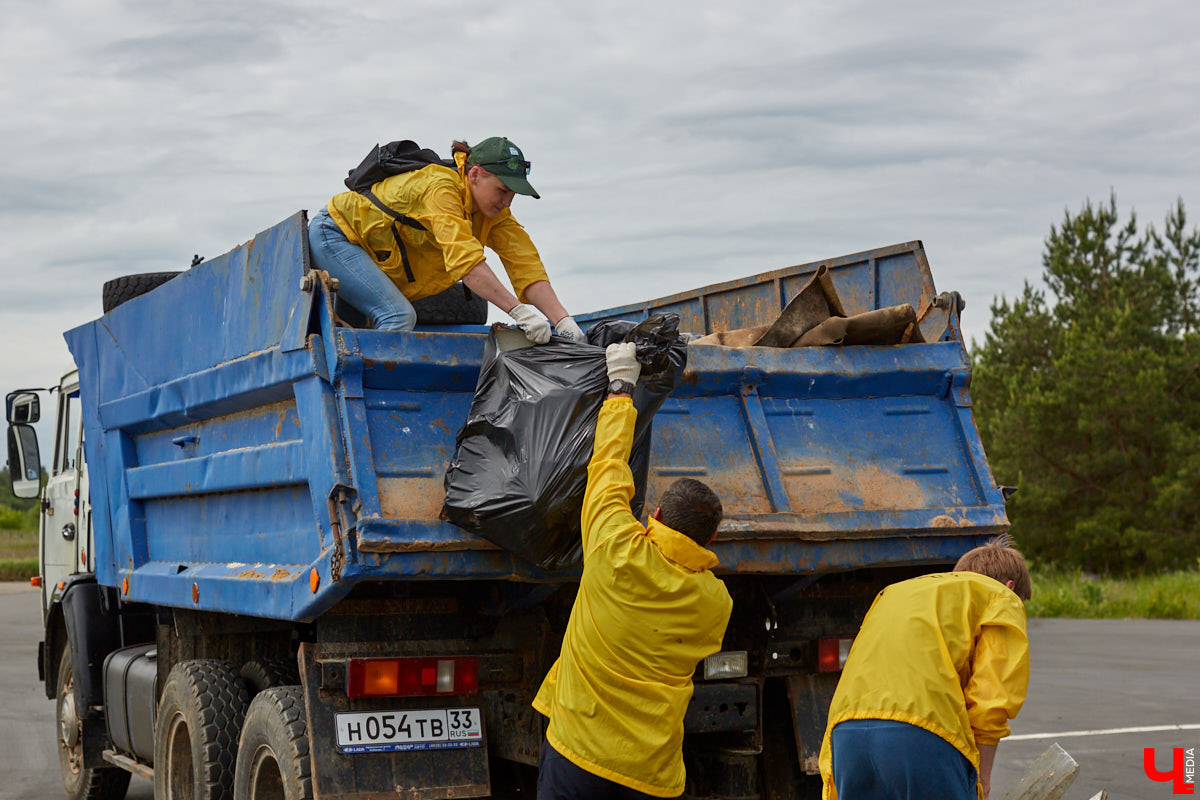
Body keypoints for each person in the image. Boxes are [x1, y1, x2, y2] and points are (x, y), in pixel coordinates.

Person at [533, 342, 734, 799]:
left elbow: (607, 464)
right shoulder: (715, 604)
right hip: (650, 772)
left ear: (656, 515)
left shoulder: (614, 546)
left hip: (578, 754)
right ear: (713, 539)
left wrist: (621, 389)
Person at [307, 136, 583, 343]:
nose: (507, 201)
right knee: (398, 316)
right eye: (502, 190)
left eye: (513, 194)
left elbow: (525, 266)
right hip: (338, 235)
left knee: (383, 319)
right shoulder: (441, 189)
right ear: (475, 174)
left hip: (372, 253)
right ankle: (374, 403)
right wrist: (519, 312)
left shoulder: (494, 212)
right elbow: (467, 265)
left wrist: (563, 321)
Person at [818, 537, 1033, 800]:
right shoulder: (999, 597)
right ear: (1010, 587)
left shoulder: (895, 593)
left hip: (846, 736)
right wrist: (982, 780)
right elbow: (993, 697)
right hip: (921, 734)